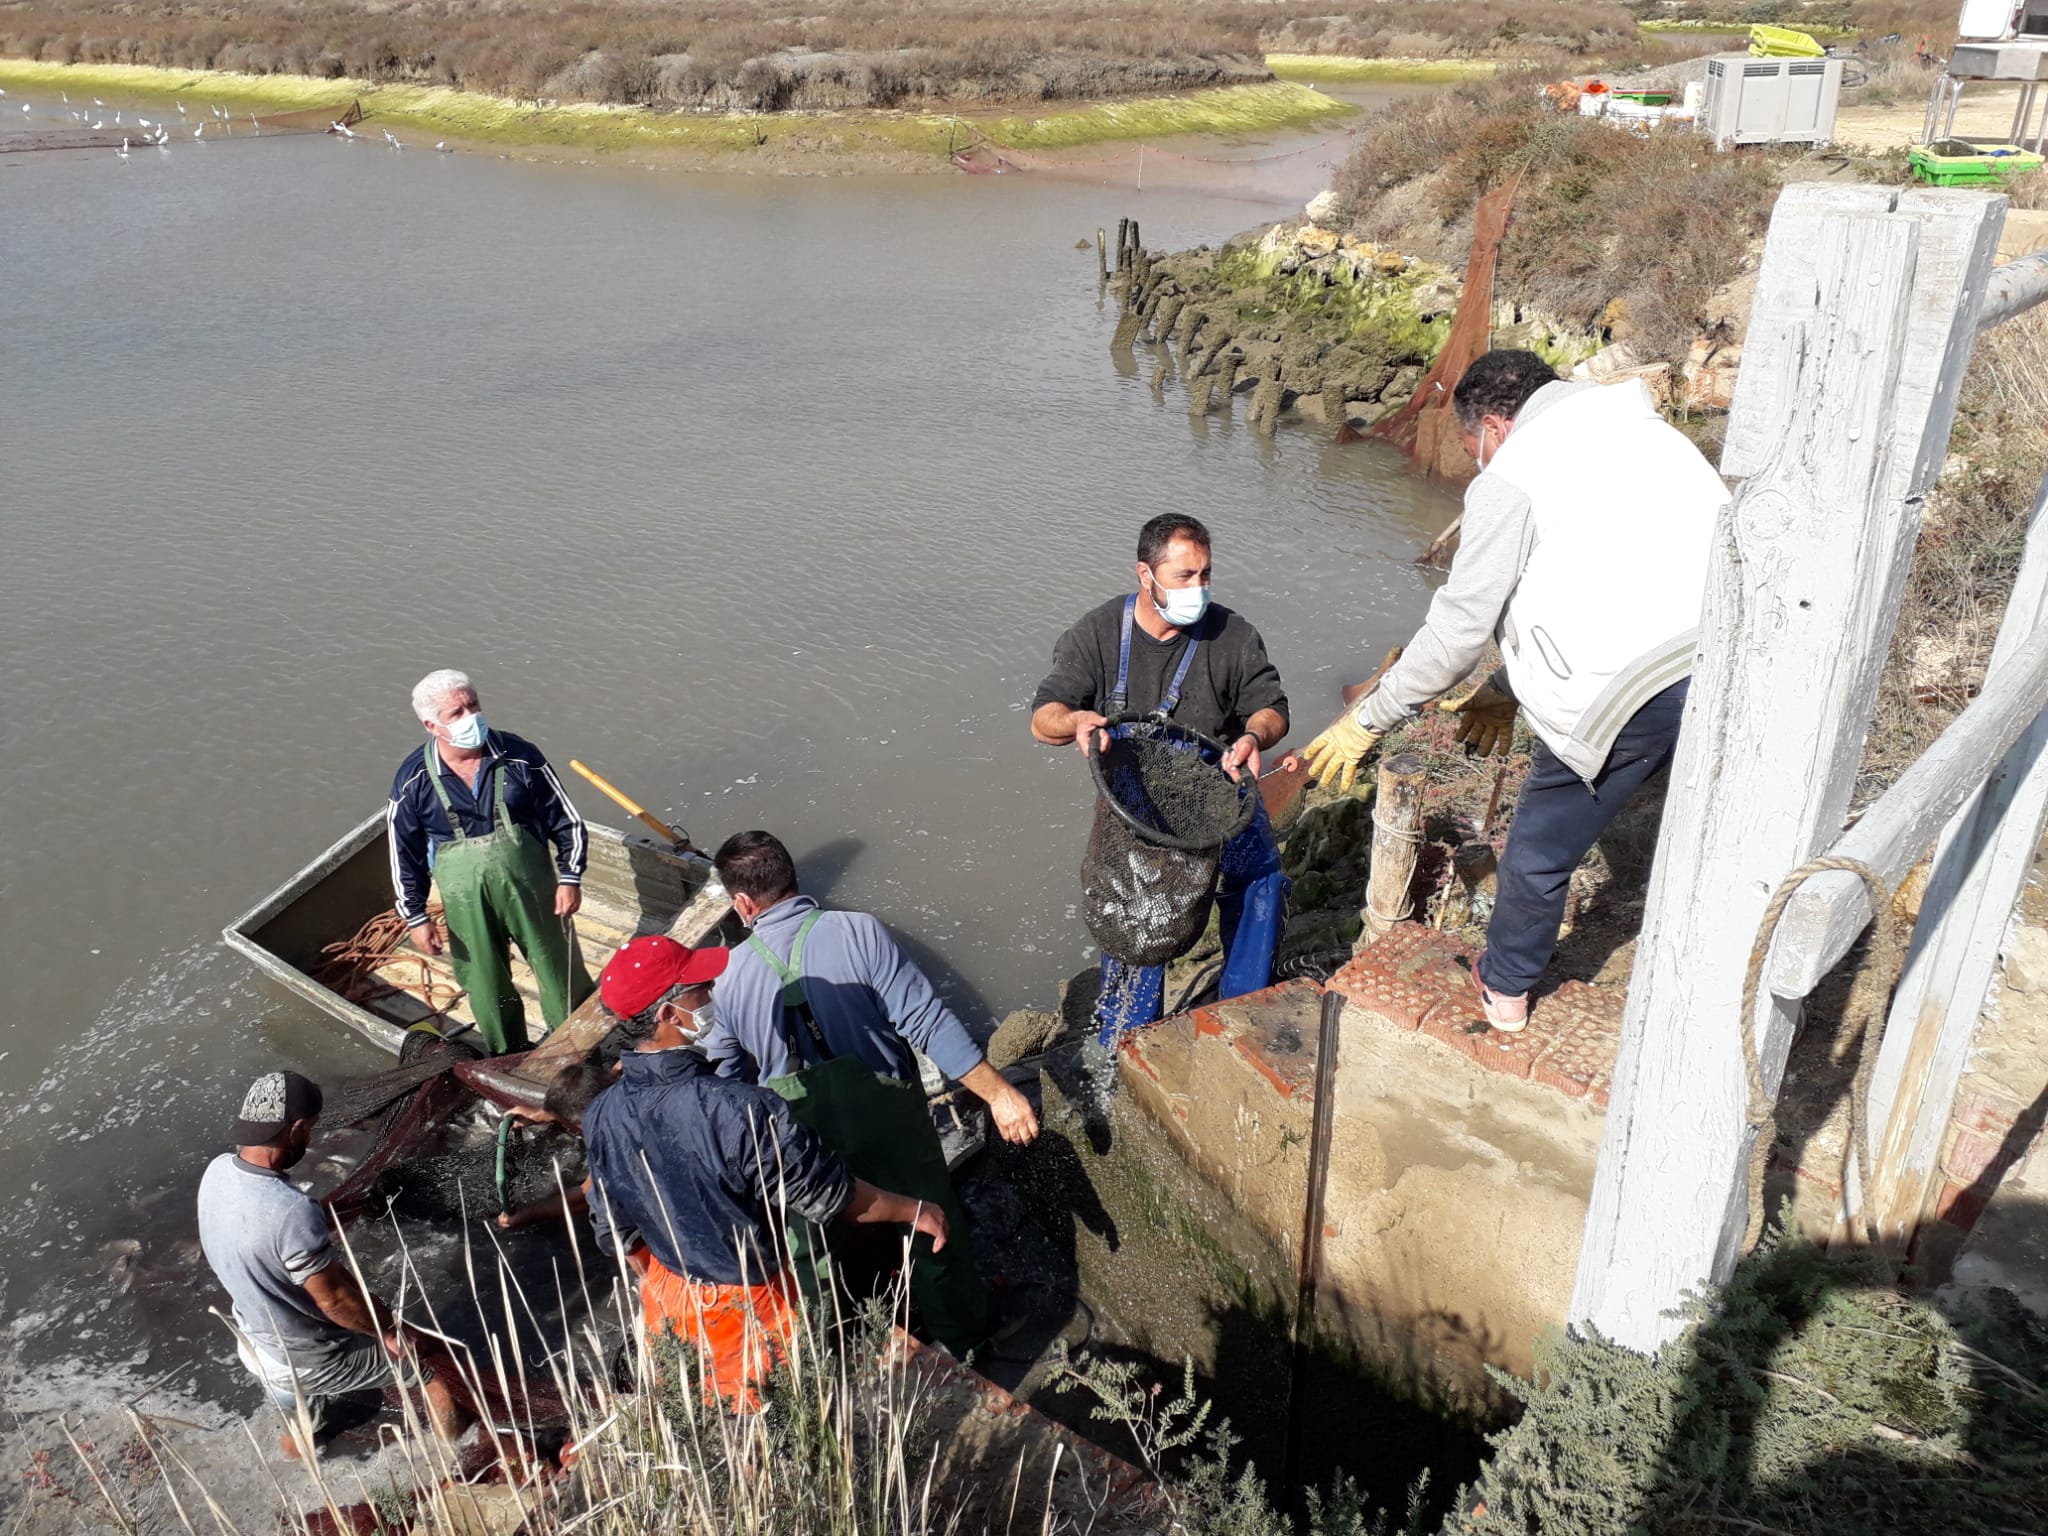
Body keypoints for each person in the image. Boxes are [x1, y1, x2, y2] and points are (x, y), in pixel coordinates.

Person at [1302, 349, 1726, 1031]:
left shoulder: (1516, 474)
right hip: (1732, 659)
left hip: (1634, 692)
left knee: (1537, 847)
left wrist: (1366, 719)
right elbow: (1610, 582)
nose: (1475, 460)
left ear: (1495, 427)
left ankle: (1504, 992)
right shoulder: (1645, 435)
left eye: (1472, 445)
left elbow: (1456, 632)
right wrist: (1507, 683)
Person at [699, 830, 1030, 1355]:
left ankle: (828, 1344)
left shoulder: (729, 975)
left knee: (809, 1243)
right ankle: (965, 1333)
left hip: (798, 1134)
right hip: (889, 1116)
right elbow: (926, 1021)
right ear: (792, 877)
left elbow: (725, 1077)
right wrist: (999, 1095)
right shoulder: (858, 932)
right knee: (931, 1220)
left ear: (742, 903)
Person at [581, 935, 948, 1406]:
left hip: (667, 1296)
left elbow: (612, 1226)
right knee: (777, 1412)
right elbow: (828, 1195)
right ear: (668, 1015)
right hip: (748, 1299)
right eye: (698, 988)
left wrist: (666, 1279)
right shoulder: (734, 1108)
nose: (711, 991)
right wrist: (913, 1209)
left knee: (703, 1410)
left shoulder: (602, 1113)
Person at [1030, 513, 1292, 1041]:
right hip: (1137, 808)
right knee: (1140, 913)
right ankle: (1127, 1035)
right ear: (1145, 575)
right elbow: (1043, 718)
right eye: (1184, 576)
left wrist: (1253, 738)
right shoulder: (1099, 634)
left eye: (1206, 574)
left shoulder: (1233, 636)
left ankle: (1240, 1009)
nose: (1199, 588)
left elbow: (1272, 710)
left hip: (1218, 788)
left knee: (1260, 880)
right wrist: (1076, 721)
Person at [196, 1071, 471, 1457]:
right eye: (308, 1128)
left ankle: (298, 1452)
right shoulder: (291, 1211)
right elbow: (335, 1303)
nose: (309, 1138)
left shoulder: (217, 1172)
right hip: (308, 1360)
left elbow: (256, 1234)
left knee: (302, 1428)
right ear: (294, 1129)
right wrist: (393, 1332)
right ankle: (452, 1459)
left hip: (257, 1349)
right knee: (437, 1368)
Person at [386, 669, 594, 1054]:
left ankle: (580, 1051)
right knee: (486, 983)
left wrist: (569, 876)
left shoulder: (520, 756)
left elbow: (566, 820)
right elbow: (403, 855)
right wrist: (415, 917)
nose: (471, 718)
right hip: (466, 901)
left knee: (559, 971)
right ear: (431, 725)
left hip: (533, 888)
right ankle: (509, 1054)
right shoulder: (412, 781)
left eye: (473, 705)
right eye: (456, 713)